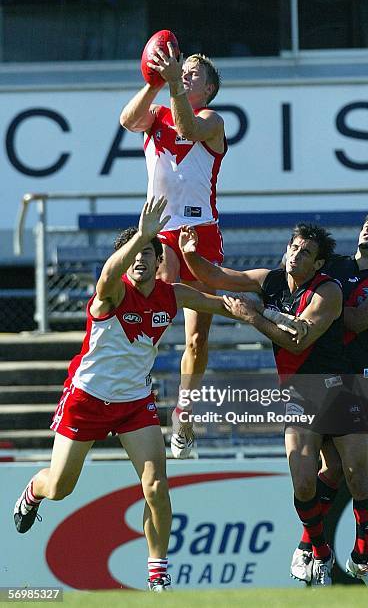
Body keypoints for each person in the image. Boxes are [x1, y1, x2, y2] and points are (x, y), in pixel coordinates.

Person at [14, 197, 299, 593]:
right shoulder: (111, 293)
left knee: (156, 486)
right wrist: (142, 235)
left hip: (134, 403)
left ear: (159, 261)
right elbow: (110, 271)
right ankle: (33, 492)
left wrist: (267, 314)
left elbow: (221, 304)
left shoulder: (172, 293)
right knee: (61, 487)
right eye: (134, 255)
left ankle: (157, 572)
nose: (141, 261)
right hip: (87, 398)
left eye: (149, 254)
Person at [180, 223, 368, 587]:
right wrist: (189, 255)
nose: (295, 254)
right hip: (299, 394)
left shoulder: (328, 291)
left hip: (339, 387)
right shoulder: (271, 280)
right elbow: (216, 277)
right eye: (293, 247)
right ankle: (320, 552)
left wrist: (255, 318)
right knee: (305, 482)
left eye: (305, 252)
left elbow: (297, 340)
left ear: (318, 263)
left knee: (360, 474)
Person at [120, 44, 227, 459]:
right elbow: (128, 121)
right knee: (149, 322)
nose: (185, 73)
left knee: (197, 338)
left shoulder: (212, 120)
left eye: (193, 72)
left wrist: (172, 89)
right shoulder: (156, 114)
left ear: (210, 87)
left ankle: (184, 412)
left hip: (201, 236)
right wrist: (153, 82)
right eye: (184, 68)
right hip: (161, 234)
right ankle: (131, 402)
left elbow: (187, 130)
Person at [290, 210, 368, 587]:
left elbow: (354, 321)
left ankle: (360, 556)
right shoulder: (331, 263)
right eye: (367, 223)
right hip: (313, 377)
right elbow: (291, 285)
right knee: (334, 470)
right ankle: (326, 551)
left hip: (355, 379)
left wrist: (321, 309)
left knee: (366, 470)